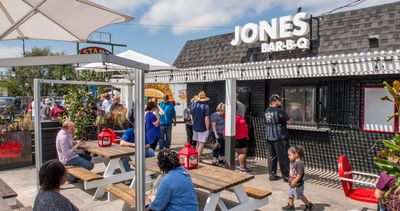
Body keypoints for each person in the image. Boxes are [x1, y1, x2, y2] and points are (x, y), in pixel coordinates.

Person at [265, 94, 293, 181]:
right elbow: (289, 122)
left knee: (272, 157)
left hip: (269, 137)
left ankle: (272, 175)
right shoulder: (280, 111)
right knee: (283, 157)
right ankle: (286, 177)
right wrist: (291, 119)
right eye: (279, 101)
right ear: (274, 101)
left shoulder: (267, 111)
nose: (280, 102)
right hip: (280, 137)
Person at [282, 146, 313, 211]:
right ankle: (290, 205)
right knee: (290, 194)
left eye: (290, 155)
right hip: (291, 183)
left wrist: (295, 181)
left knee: (299, 195)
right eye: (288, 155)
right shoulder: (293, 161)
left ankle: (308, 205)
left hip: (297, 184)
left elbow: (300, 174)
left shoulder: (299, 163)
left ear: (296, 154)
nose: (288, 156)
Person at [190, 91, 210, 162]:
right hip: (203, 127)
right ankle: (198, 159)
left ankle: (196, 157)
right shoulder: (206, 106)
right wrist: (207, 128)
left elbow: (191, 116)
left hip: (195, 127)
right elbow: (206, 118)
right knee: (201, 143)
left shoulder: (193, 105)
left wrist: (193, 124)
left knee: (198, 143)